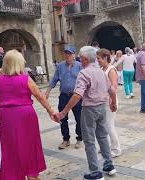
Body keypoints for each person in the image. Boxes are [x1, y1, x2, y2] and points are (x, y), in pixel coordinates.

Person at [55, 46, 117, 180]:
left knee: (89, 141)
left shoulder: (84, 73)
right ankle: (109, 164)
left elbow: (77, 94)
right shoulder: (101, 71)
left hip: (89, 109)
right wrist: (113, 102)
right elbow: (111, 89)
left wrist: (64, 111)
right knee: (102, 136)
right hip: (102, 107)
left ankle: (95, 172)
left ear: (85, 59)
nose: (79, 60)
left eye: (81, 58)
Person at [0, 50, 57, 179]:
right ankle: (31, 173)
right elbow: (40, 96)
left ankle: (13, 175)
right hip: (25, 115)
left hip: (6, 116)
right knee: (29, 144)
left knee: (10, 147)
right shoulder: (25, 79)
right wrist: (51, 111)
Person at [45, 45, 83, 150]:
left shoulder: (80, 66)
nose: (67, 55)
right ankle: (66, 139)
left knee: (79, 118)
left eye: (69, 53)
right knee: (62, 117)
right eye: (66, 53)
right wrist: (47, 92)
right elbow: (54, 79)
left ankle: (80, 138)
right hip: (64, 96)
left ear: (74, 55)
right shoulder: (60, 66)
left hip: (76, 96)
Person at [97, 48, 122, 157]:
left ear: (105, 58)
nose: (97, 61)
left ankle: (116, 149)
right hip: (103, 101)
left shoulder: (111, 70)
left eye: (99, 58)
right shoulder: (102, 69)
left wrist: (113, 103)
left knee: (109, 126)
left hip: (110, 101)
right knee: (103, 126)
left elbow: (113, 87)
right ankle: (105, 146)